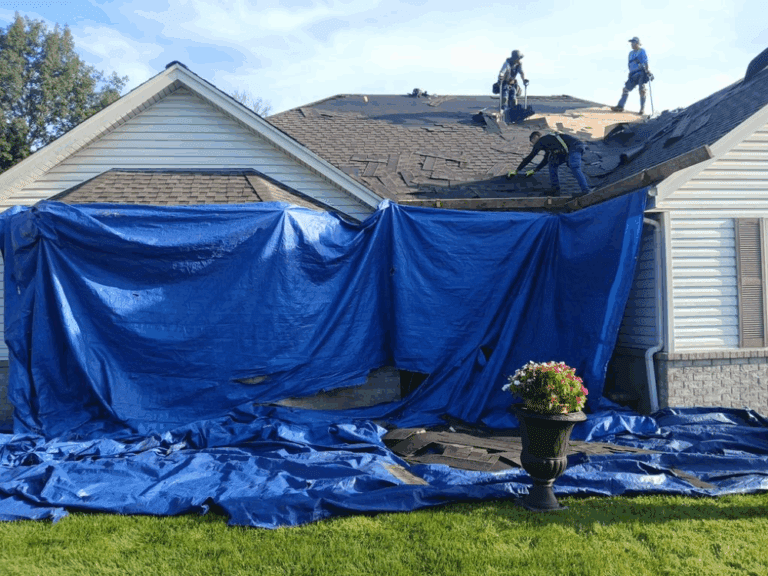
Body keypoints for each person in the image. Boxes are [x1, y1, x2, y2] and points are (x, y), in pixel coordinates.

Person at [507, 131, 592, 196]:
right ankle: (555, 189)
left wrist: (517, 170)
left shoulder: (542, 140)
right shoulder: (549, 143)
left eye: (532, 141)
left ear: (535, 137)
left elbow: (530, 157)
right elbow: (546, 160)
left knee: (574, 166)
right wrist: (535, 170)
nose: (533, 144)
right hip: (567, 151)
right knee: (552, 164)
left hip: (575, 146)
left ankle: (586, 190)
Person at [611, 37, 653, 115]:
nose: (632, 44)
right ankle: (620, 106)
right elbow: (629, 64)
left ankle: (642, 109)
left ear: (637, 43)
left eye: (633, 42)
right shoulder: (630, 53)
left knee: (642, 90)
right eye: (631, 43)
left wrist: (648, 71)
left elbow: (645, 62)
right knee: (625, 89)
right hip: (633, 74)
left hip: (640, 73)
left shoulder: (642, 51)